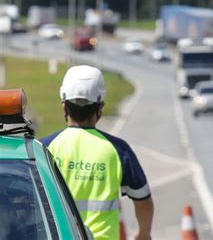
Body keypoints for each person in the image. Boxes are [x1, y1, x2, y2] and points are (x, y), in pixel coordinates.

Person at [41, 65, 154, 240]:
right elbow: (143, 200)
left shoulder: (44, 148)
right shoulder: (118, 150)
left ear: (64, 106)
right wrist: (144, 233)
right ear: (100, 107)